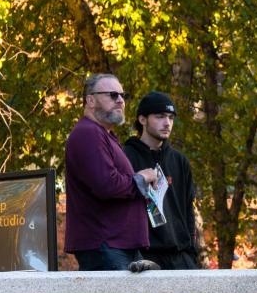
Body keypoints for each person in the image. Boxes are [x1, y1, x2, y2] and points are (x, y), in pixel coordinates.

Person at [65, 74, 159, 270]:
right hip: (105, 245)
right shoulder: (88, 133)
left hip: (117, 245)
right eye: (113, 95)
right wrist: (141, 178)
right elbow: (106, 185)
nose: (121, 101)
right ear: (91, 100)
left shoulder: (103, 135)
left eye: (123, 96)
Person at [123, 92, 201, 269]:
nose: (167, 123)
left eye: (171, 118)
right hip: (144, 260)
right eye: (159, 117)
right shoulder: (125, 157)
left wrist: (190, 252)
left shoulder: (180, 161)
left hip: (181, 258)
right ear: (142, 119)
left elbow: (188, 211)